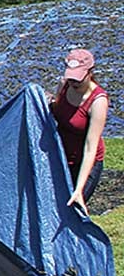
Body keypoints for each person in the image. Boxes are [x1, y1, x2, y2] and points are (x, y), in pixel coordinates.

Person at [50, 48, 109, 214]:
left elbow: (91, 148)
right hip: (62, 158)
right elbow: (56, 110)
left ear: (90, 72)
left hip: (86, 163)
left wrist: (79, 189)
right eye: (71, 79)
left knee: (72, 210)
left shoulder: (98, 101)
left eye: (78, 80)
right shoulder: (64, 85)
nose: (73, 83)